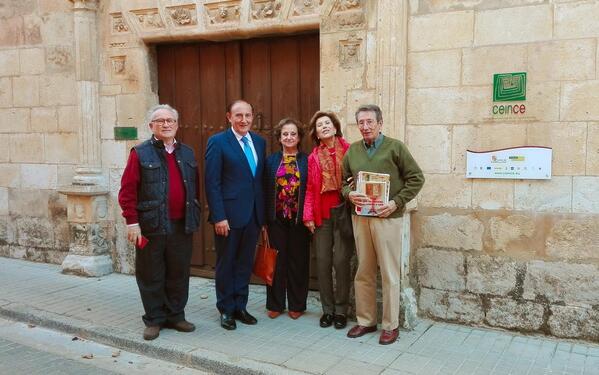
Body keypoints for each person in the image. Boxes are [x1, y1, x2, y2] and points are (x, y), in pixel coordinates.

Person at [342, 104, 424, 345]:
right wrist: (349, 194)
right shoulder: (353, 151)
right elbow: (344, 180)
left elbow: (416, 178)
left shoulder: (395, 147)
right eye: (361, 122)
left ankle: (390, 325)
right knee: (364, 270)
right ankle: (366, 321)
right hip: (361, 217)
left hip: (387, 218)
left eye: (370, 122)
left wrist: (396, 202)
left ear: (380, 123)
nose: (365, 126)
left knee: (389, 272)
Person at [118, 104, 201, 341]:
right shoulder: (140, 153)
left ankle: (175, 315)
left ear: (177, 125)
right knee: (151, 273)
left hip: (181, 224)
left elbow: (194, 187)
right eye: (160, 121)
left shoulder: (187, 152)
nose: (166, 124)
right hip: (150, 225)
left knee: (178, 272)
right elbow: (127, 191)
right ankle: (154, 319)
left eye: (170, 120)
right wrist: (132, 222)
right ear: (151, 126)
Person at [204, 99, 266, 330]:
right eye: (238, 115)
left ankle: (241, 306)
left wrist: (263, 217)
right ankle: (226, 309)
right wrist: (219, 216)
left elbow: (257, 181)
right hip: (228, 217)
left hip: (253, 215)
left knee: (244, 263)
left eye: (248, 115)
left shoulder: (259, 142)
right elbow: (212, 182)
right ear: (229, 117)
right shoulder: (218, 142)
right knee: (226, 263)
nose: (244, 120)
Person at [303, 111, 353, 329]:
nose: (323, 126)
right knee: (323, 263)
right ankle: (328, 310)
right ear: (316, 133)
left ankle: (341, 311)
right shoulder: (312, 157)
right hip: (321, 214)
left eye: (327, 123)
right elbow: (309, 188)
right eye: (319, 125)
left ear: (335, 127)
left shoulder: (351, 151)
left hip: (344, 213)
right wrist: (307, 216)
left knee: (341, 262)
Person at [263, 118, 310, 319]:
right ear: (279, 138)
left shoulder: (307, 161)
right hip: (276, 219)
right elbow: (263, 190)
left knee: (298, 262)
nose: (289, 137)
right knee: (276, 261)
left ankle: (297, 305)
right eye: (285, 134)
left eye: (293, 134)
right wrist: (264, 220)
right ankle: (275, 304)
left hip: (300, 220)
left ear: (299, 137)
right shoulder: (271, 161)